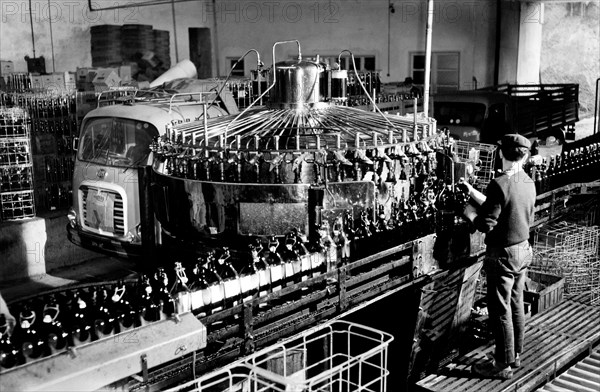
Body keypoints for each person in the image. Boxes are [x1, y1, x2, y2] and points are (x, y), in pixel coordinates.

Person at [461, 134, 536, 380]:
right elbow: (505, 205)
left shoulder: (499, 183)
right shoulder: (527, 181)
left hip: (502, 255)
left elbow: (486, 224)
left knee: (499, 309)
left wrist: (469, 213)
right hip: (523, 250)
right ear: (524, 155)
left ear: (501, 153)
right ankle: (516, 355)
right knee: (516, 304)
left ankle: (502, 364)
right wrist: (472, 191)